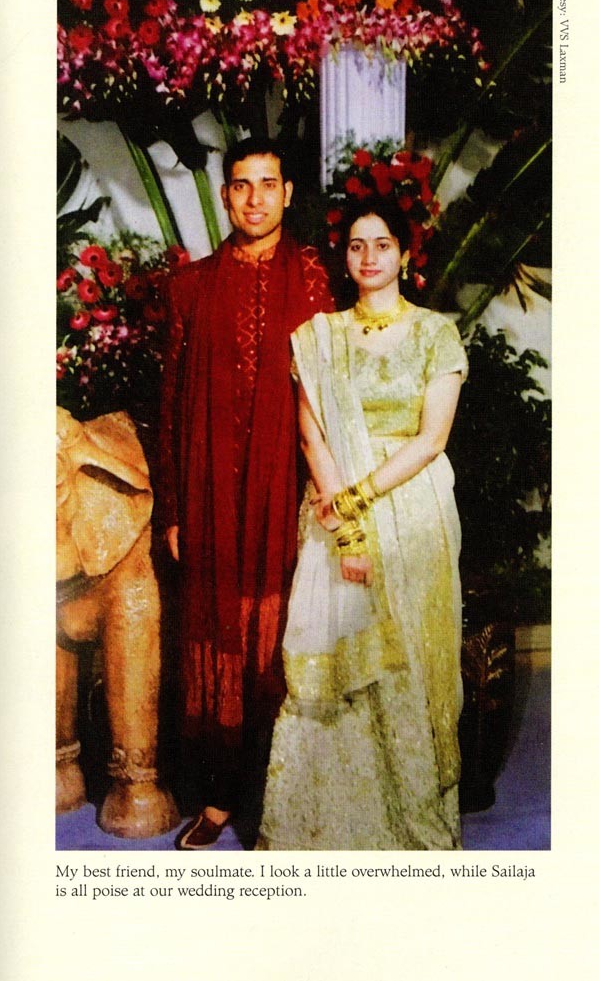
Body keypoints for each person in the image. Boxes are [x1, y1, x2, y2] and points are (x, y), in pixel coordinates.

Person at [257, 195, 468, 850]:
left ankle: (413, 815)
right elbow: (311, 436)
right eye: (356, 245)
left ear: (403, 254)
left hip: (415, 508)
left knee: (414, 660)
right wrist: (345, 523)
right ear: (343, 258)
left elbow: (432, 439)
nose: (369, 256)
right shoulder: (318, 337)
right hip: (334, 511)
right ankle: (337, 822)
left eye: (382, 244)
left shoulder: (436, 334)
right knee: (341, 658)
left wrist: (359, 497)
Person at [159, 137, 334, 849]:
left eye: (268, 183)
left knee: (282, 632)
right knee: (218, 637)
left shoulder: (316, 280)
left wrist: (330, 495)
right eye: (241, 185)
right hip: (209, 490)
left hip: (288, 490)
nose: (255, 198)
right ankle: (219, 797)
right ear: (226, 195)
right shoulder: (191, 286)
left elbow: (333, 395)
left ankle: (280, 797)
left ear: (288, 193)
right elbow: (171, 402)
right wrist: (174, 509)